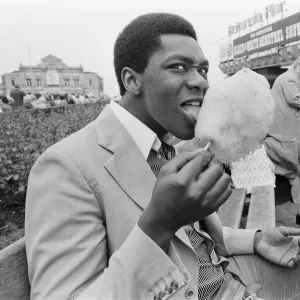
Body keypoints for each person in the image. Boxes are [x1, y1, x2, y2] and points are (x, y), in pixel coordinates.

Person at [25, 13, 300, 300]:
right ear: (132, 80)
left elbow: (191, 241)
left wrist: (256, 240)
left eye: (203, 70)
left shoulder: (168, 146)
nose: (200, 82)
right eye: (178, 67)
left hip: (232, 282)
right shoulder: (66, 166)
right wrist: (159, 225)